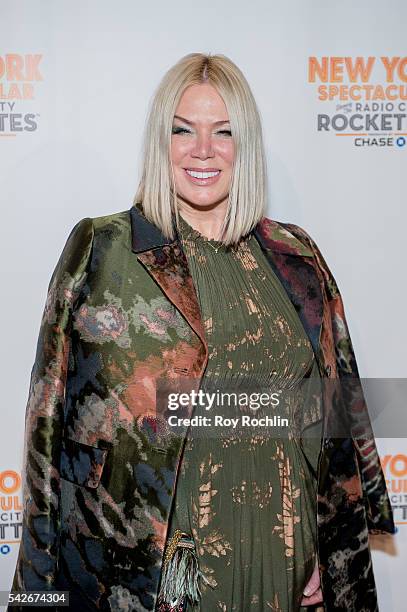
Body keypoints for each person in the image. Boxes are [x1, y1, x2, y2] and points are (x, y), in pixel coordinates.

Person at [9, 53, 395, 612]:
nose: (203, 150)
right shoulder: (103, 250)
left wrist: (332, 552)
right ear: (160, 141)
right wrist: (36, 597)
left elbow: (336, 416)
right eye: (183, 130)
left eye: (224, 132)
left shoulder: (296, 255)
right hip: (163, 580)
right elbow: (47, 434)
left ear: (248, 145)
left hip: (282, 569)